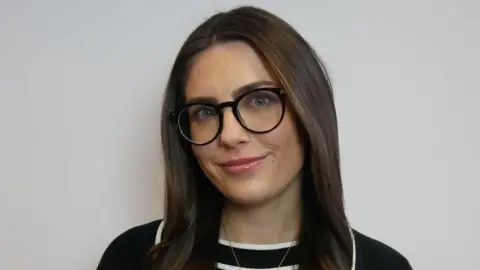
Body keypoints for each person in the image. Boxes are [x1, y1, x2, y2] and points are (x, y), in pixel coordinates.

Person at [97, 5, 412, 270]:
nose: (231, 136)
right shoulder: (133, 258)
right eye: (205, 112)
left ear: (310, 110)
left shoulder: (380, 265)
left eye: (259, 100)